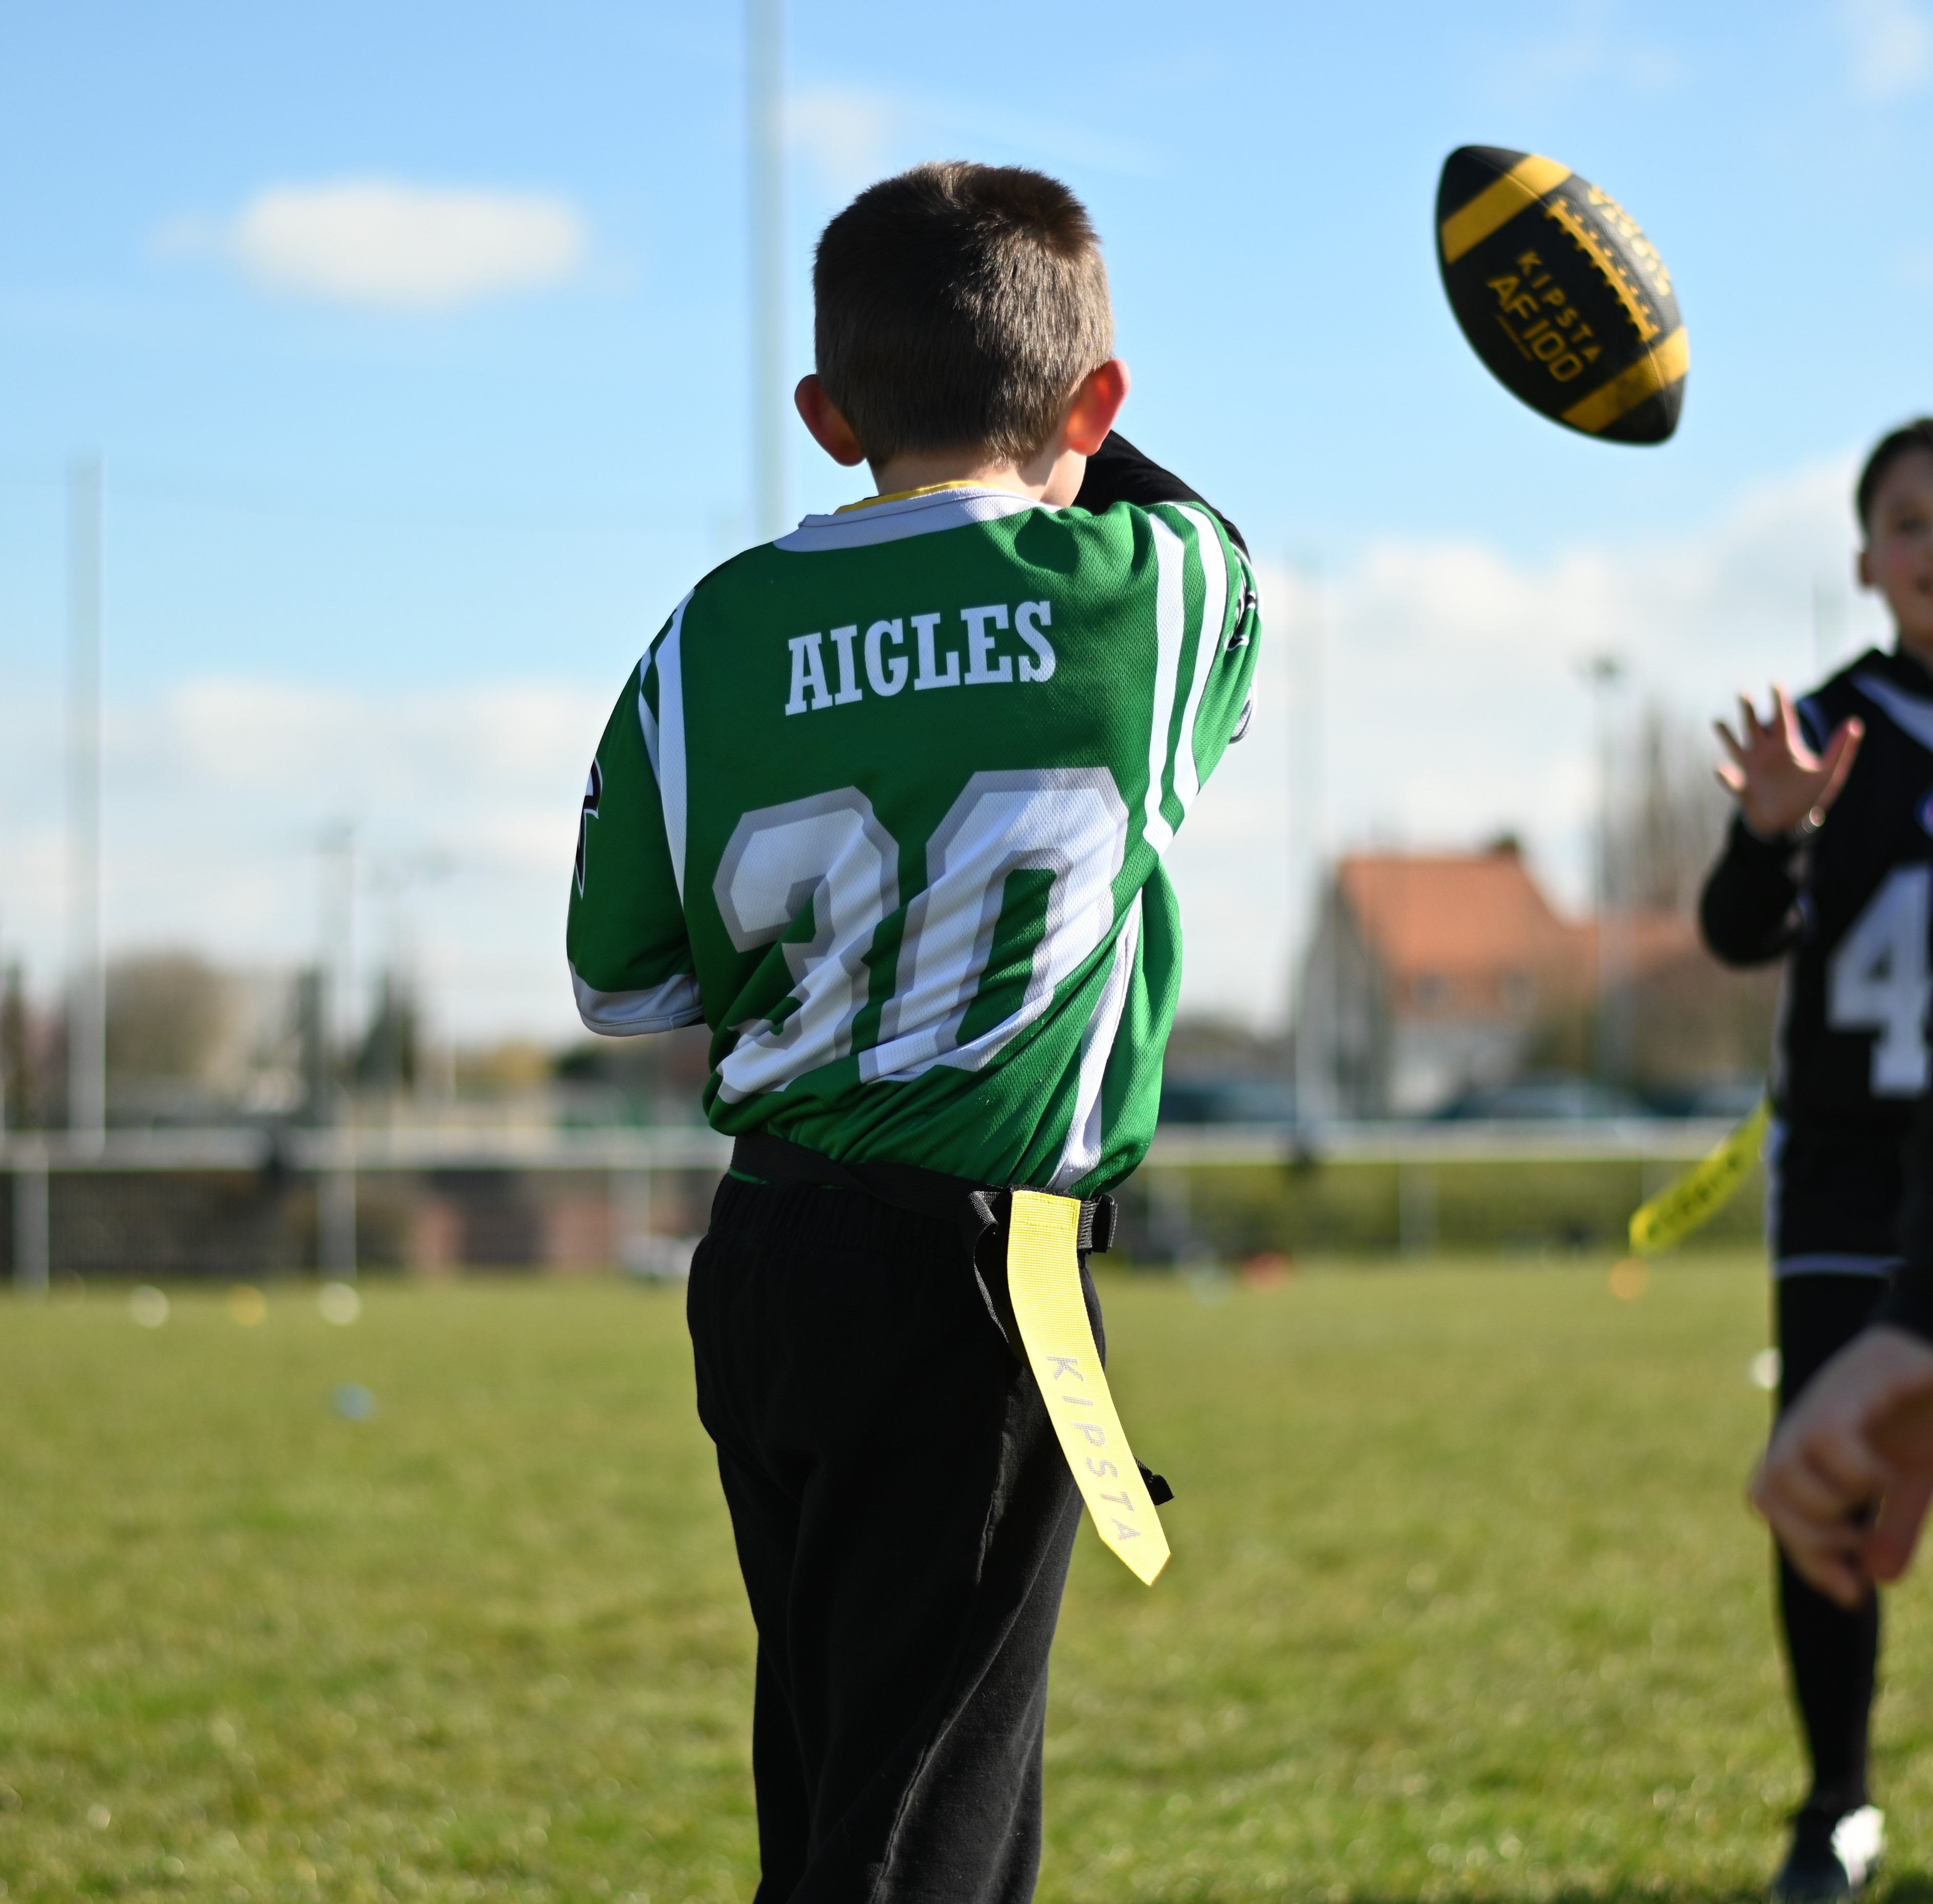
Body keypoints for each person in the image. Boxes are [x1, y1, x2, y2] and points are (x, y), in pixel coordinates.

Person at [565, 162, 1258, 1902]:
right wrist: (1079, 429)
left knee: (835, 1782)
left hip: (767, 1256)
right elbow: (1221, 552)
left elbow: (622, 982)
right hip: (981, 1276)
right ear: (1099, 401)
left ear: (826, 415)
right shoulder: (1145, 589)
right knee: (918, 1837)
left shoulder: (710, 630)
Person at [1703, 417, 1933, 1901]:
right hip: (1855, 1167)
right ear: (1865, 561)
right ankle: (1837, 1799)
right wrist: (1769, 838)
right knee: (1832, 1478)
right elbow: (1737, 934)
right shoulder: (1829, 732)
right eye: (1909, 521)